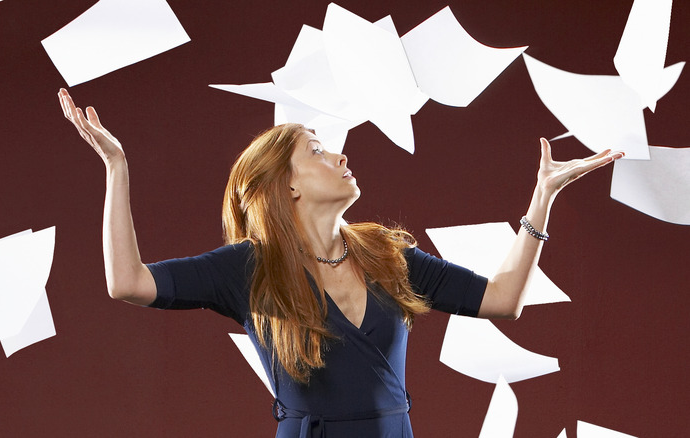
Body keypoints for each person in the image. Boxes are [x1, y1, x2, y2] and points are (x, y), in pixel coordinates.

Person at [58, 88, 623, 437]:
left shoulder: (386, 256)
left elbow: (504, 300)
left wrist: (542, 198)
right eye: (317, 150)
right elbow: (126, 282)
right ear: (289, 187)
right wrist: (117, 168)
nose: (340, 154)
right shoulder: (249, 269)